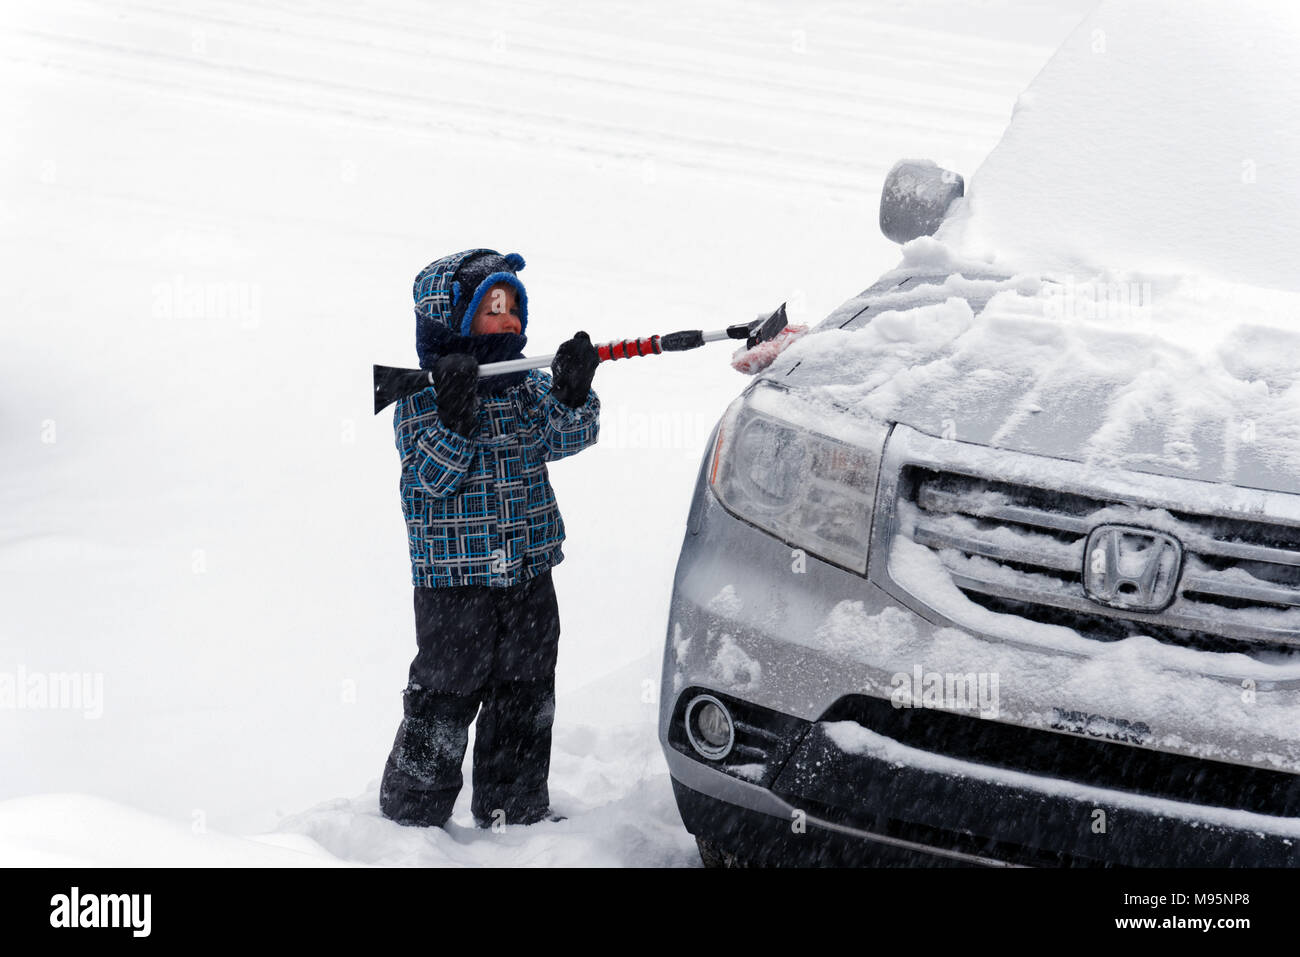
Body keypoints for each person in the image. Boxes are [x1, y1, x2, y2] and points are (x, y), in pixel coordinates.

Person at [378, 248, 600, 829]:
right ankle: (412, 817)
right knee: (445, 697)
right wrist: (454, 418)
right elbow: (430, 479)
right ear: (451, 317)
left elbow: (566, 438)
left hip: (528, 570)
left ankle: (515, 810)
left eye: (513, 309)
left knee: (524, 694)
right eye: (492, 309)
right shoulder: (417, 398)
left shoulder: (524, 387)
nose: (509, 322)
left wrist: (573, 392)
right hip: (455, 583)